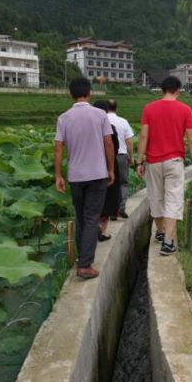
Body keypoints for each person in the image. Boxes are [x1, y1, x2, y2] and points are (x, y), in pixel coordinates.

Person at [55, 78, 115, 278]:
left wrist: (58, 175)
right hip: (97, 174)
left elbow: (58, 147)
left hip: (75, 176)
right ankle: (85, 265)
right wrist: (111, 169)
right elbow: (108, 143)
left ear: (71, 94)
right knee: (91, 219)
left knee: (81, 217)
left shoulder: (64, 118)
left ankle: (82, 259)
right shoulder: (100, 115)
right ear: (89, 93)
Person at [136, 76, 192, 256]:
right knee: (173, 199)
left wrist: (139, 161)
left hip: (153, 161)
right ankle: (168, 242)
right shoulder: (185, 109)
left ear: (162, 89)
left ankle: (161, 231)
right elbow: (191, 139)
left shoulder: (149, 108)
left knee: (156, 197)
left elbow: (143, 136)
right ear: (178, 90)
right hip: (174, 161)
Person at [92, 100, 121, 241]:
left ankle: (93, 229)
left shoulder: (89, 128)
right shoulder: (111, 128)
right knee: (108, 198)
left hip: (91, 167)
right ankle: (103, 231)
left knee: (92, 201)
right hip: (107, 166)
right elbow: (113, 147)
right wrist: (111, 170)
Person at [106, 99, 134, 219]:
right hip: (121, 155)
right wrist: (131, 157)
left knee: (109, 184)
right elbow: (129, 141)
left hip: (106, 156)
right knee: (123, 183)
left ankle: (111, 210)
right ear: (116, 108)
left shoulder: (102, 120)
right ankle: (121, 208)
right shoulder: (123, 121)